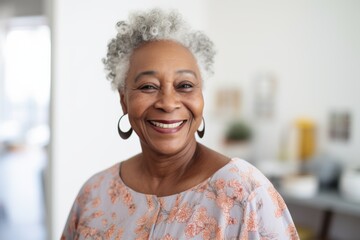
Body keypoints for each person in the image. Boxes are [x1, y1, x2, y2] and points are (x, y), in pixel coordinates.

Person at [61, 8, 299, 240]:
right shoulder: (94, 193)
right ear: (124, 100)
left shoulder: (245, 194)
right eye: (148, 86)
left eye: (184, 85)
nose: (168, 103)